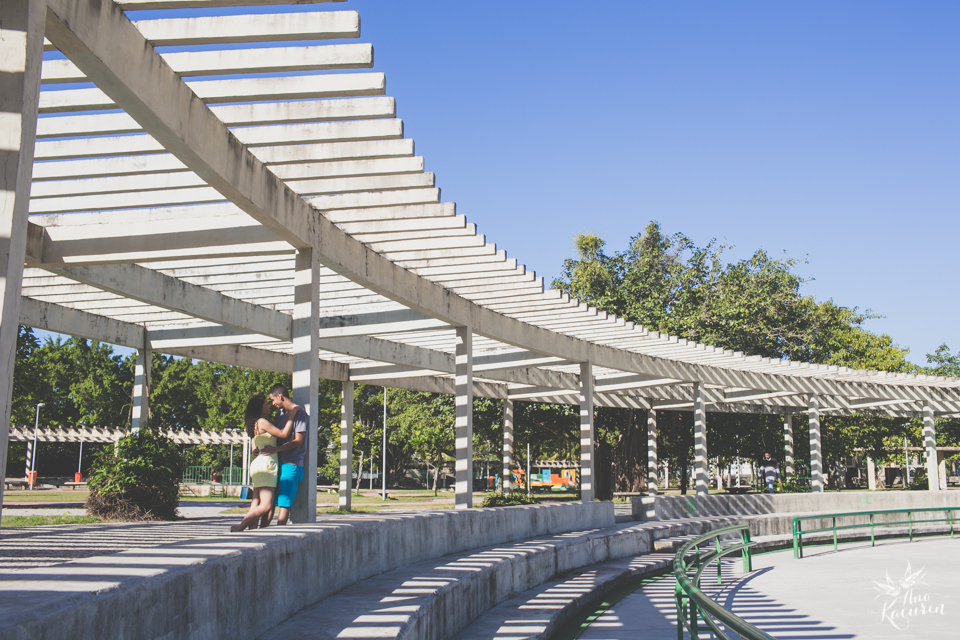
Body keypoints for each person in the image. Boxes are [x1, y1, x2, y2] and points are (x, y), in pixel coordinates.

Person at [231, 395, 300, 532]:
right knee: (266, 505)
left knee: (256, 502)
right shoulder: (262, 422)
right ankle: (240, 527)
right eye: (266, 404)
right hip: (266, 465)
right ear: (259, 407)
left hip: (258, 464)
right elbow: (283, 434)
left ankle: (252, 530)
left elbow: (254, 444)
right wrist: (293, 414)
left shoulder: (253, 423)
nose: (269, 406)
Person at [258, 384, 309, 526]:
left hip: (292, 463)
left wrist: (277, 449)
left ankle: (279, 534)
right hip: (277, 463)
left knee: (284, 503)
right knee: (269, 503)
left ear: (280, 396)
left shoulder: (300, 413)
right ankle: (262, 532)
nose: (273, 404)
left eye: (273, 400)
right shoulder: (279, 414)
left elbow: (298, 440)